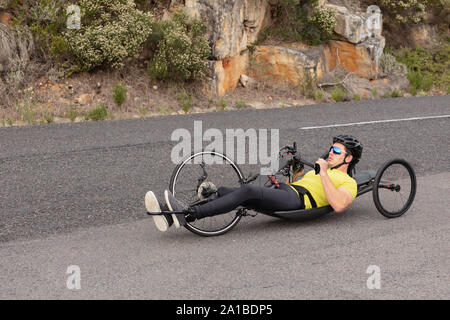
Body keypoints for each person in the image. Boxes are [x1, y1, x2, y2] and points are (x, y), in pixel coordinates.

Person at [145, 134, 363, 232]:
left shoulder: (348, 182)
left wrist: (323, 172)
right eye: (331, 149)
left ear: (349, 158)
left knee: (248, 191)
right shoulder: (321, 171)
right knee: (226, 191)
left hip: (297, 201)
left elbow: (338, 205)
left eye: (336, 151)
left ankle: (190, 214)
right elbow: (298, 183)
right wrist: (292, 170)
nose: (330, 153)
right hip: (289, 192)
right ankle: (172, 216)